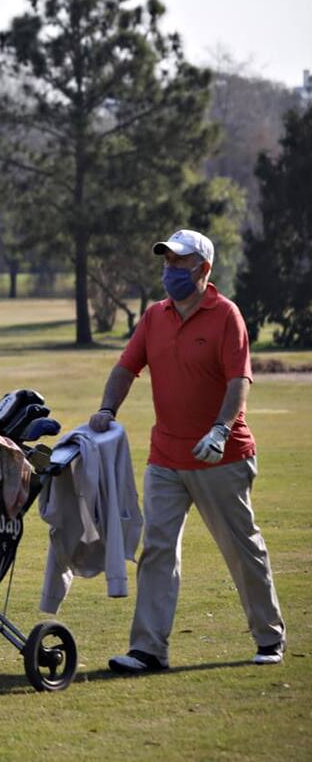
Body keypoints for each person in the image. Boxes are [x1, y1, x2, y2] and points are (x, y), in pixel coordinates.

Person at [88, 228, 285, 673]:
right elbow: (125, 368)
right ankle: (148, 649)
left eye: (179, 262)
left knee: (240, 547)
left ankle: (269, 636)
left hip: (223, 455)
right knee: (157, 549)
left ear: (204, 269)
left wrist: (220, 429)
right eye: (167, 262)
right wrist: (105, 408)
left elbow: (239, 381)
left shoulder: (226, 315)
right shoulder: (154, 317)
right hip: (166, 458)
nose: (170, 270)